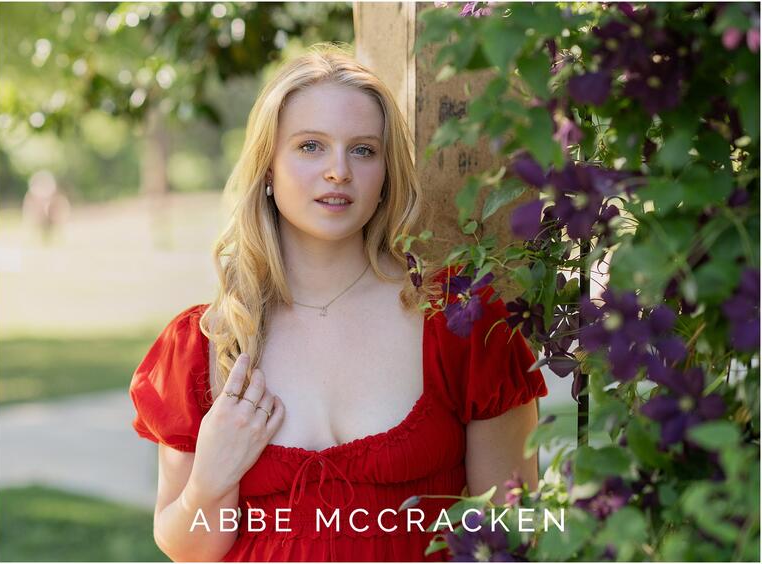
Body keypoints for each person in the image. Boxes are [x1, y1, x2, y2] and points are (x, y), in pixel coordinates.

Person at [129, 44, 547, 562]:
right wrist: (210, 480)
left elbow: (513, 537)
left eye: (363, 150)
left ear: (385, 174)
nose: (338, 172)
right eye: (310, 146)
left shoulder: (459, 319)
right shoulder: (203, 343)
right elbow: (189, 548)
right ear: (267, 167)